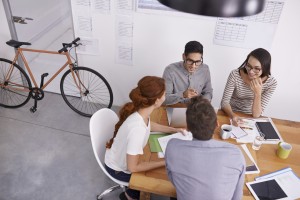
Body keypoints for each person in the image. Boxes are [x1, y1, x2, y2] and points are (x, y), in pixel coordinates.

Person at [104, 76, 184, 200]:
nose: (165, 96)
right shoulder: (137, 129)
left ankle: (130, 193)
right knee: (157, 177)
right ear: (157, 101)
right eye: (164, 94)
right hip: (118, 170)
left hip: (121, 158)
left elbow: (150, 125)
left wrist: (174, 130)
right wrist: (165, 161)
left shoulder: (142, 111)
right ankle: (130, 195)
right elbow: (133, 168)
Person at [165, 96, 245, 200]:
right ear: (217, 124)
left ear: (187, 127)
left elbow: (174, 180)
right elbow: (237, 196)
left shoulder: (172, 147)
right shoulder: (236, 154)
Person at [221, 48, 277, 126]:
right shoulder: (235, 74)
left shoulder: (271, 83)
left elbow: (256, 115)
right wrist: (233, 115)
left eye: (257, 69)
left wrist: (257, 93)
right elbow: (224, 102)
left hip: (250, 117)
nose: (250, 71)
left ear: (265, 68)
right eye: (249, 66)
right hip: (230, 112)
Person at [162, 41, 213, 105]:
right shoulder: (170, 70)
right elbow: (163, 99)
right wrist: (182, 95)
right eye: (190, 61)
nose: (193, 66)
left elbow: (208, 92)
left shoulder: (205, 69)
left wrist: (203, 102)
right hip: (175, 108)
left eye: (197, 62)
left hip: (197, 109)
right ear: (184, 56)